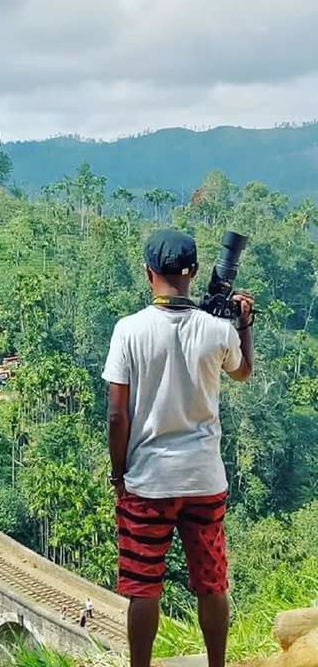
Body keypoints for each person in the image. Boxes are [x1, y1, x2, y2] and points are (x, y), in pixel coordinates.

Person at [102, 229, 254, 667]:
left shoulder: (128, 330)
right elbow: (242, 373)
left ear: (149, 273)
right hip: (205, 480)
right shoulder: (217, 330)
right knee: (211, 581)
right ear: (194, 274)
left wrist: (119, 474)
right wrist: (243, 325)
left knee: (143, 586)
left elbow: (117, 416)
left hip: (148, 481)